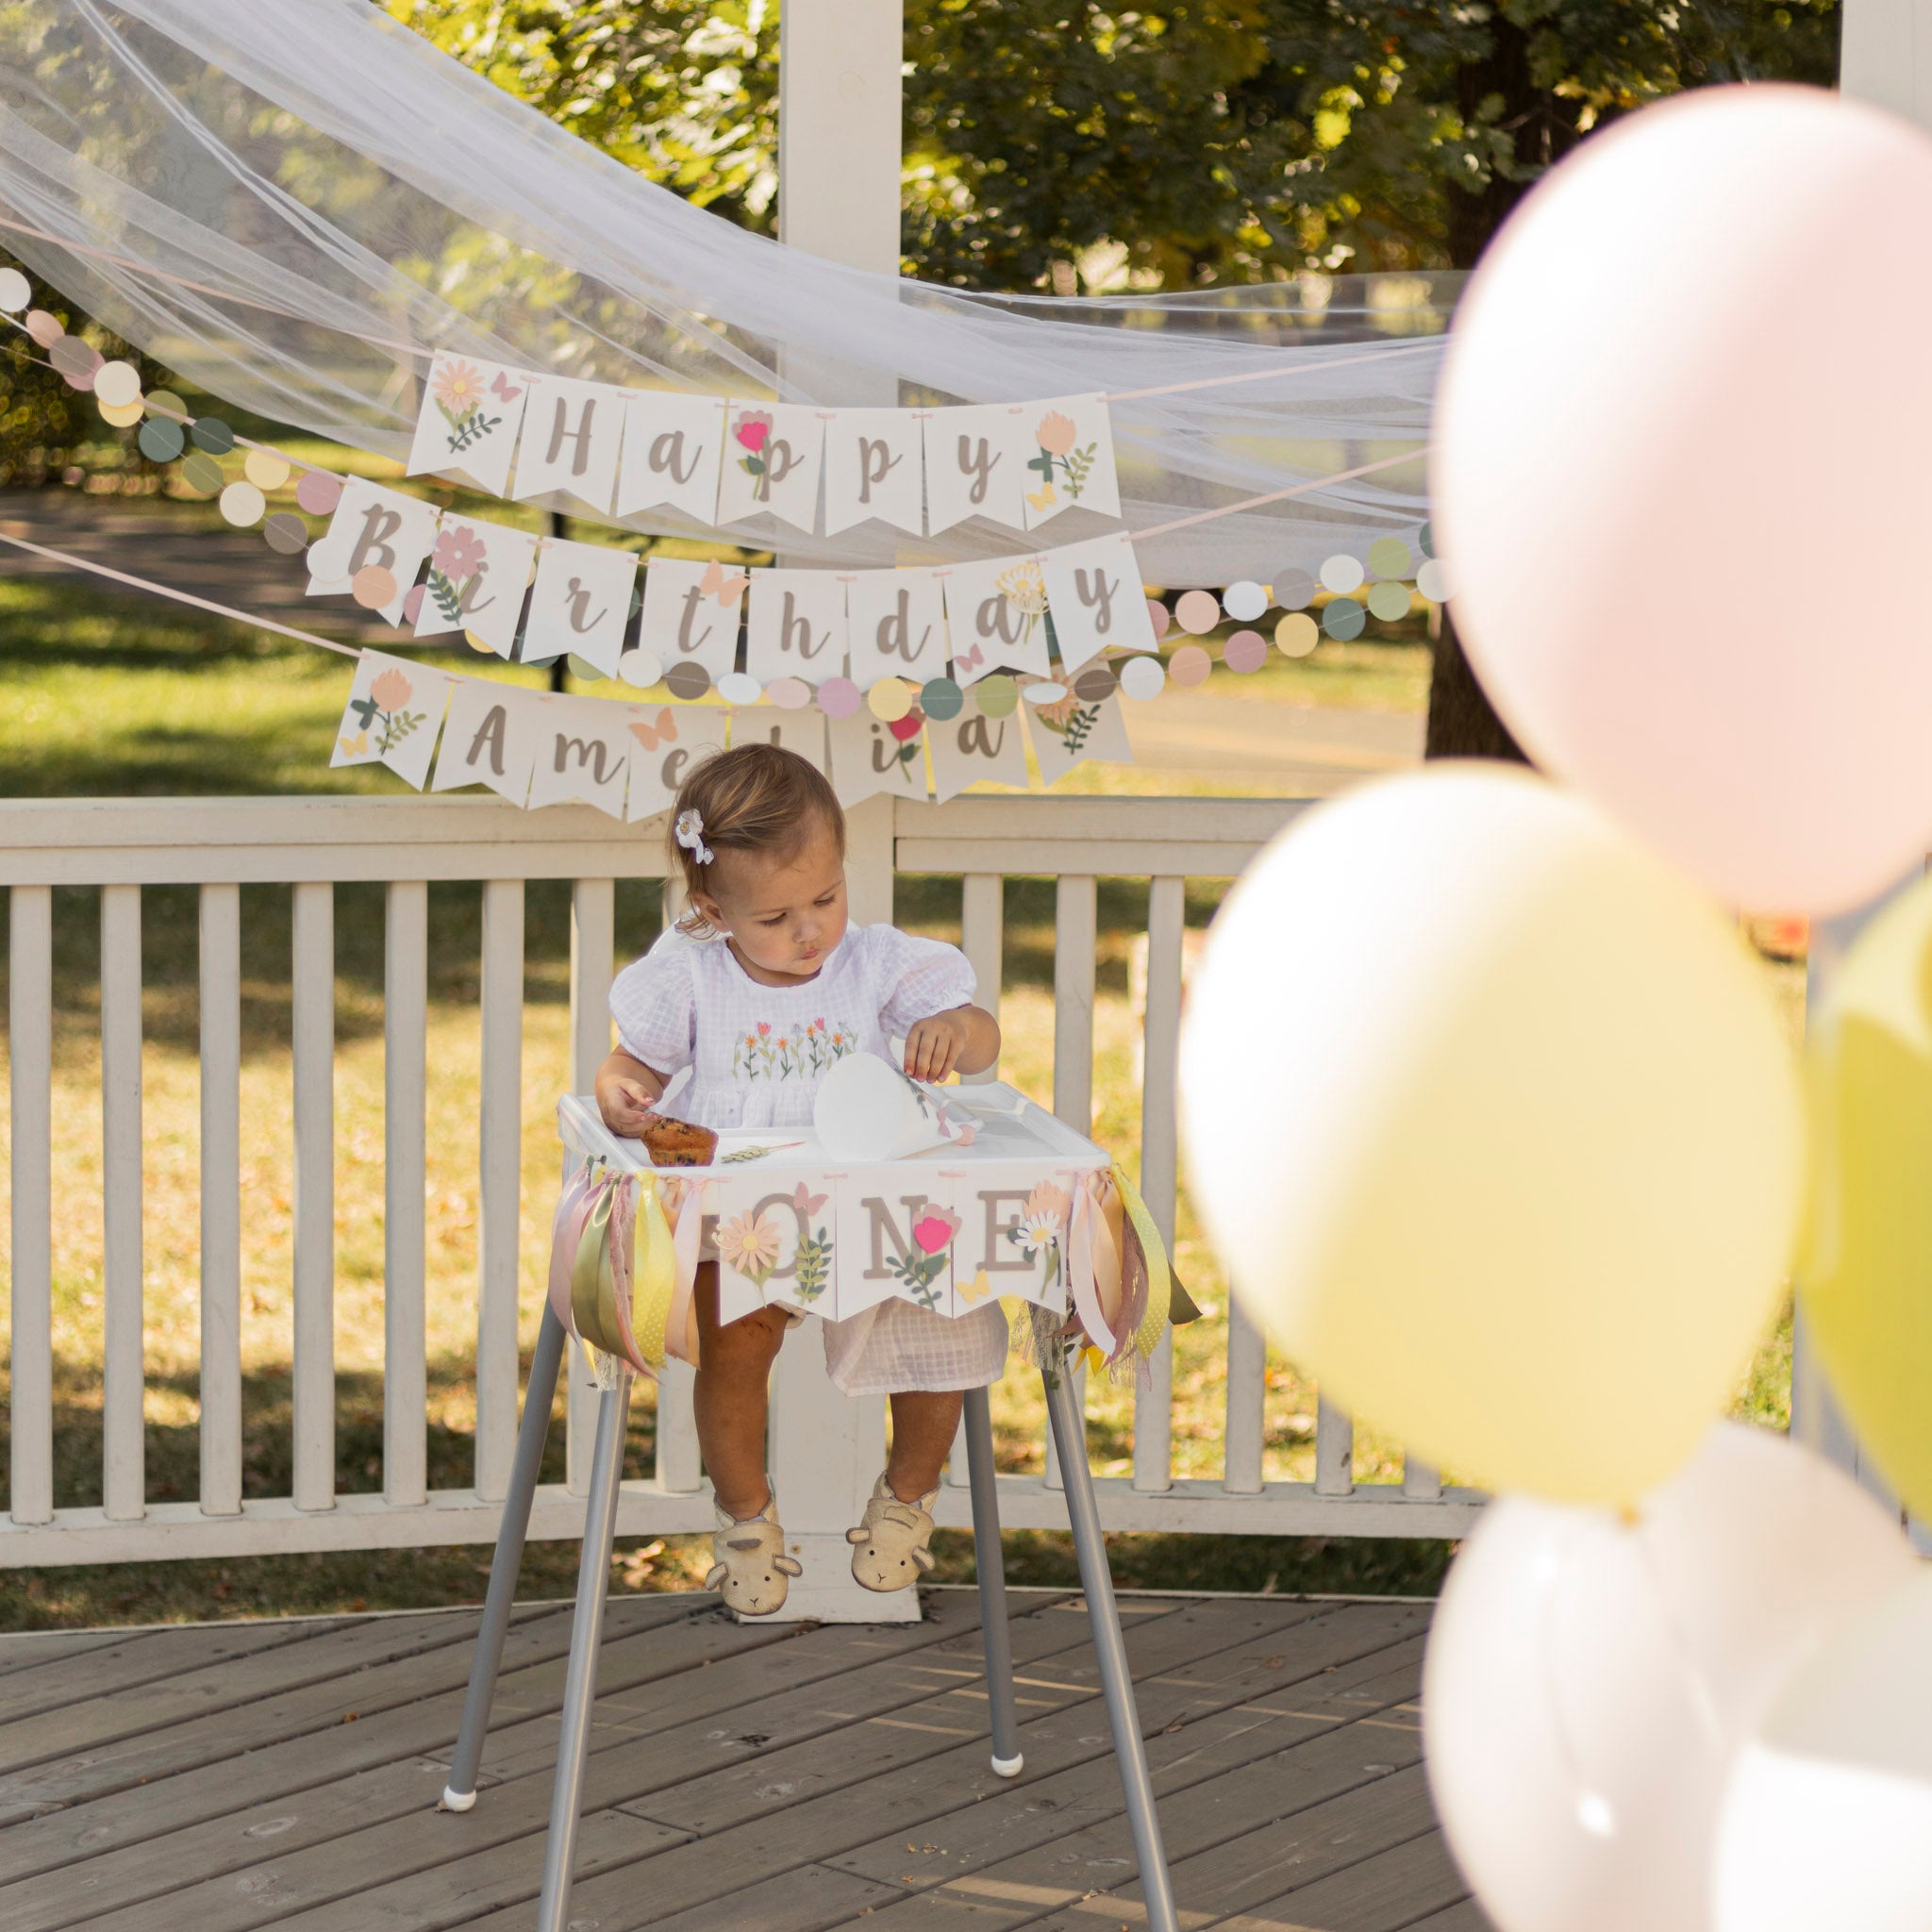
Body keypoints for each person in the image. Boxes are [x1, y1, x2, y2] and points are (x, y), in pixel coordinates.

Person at [594, 742, 1003, 1615]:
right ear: (712, 910)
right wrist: (621, 1096)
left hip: (873, 1207)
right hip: (752, 1214)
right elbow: (631, 1065)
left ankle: (907, 1499)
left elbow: (985, 1036)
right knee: (734, 1355)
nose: (810, 930)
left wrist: (952, 1032)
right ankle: (747, 1520)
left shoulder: (872, 964)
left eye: (826, 897)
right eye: (777, 917)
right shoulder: (692, 976)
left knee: (941, 1332)